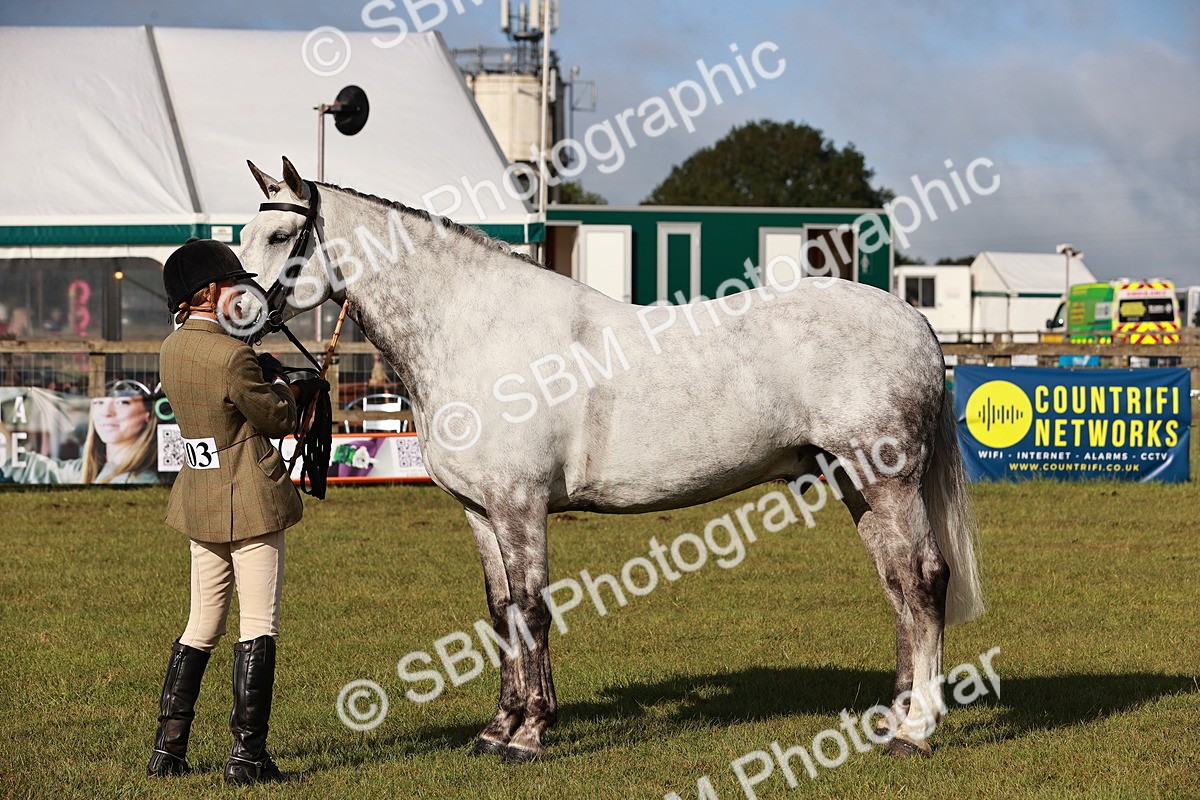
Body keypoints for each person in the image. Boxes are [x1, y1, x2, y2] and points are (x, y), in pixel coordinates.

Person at [147, 238, 322, 786]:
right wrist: (295, 392)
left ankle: (168, 750)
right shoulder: (231, 354)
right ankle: (247, 759)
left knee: (201, 623)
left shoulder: (171, 349)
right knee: (258, 625)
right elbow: (273, 418)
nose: (239, 291)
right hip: (248, 496)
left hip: (199, 493)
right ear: (210, 292)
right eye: (230, 283)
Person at [0, 381, 159, 484]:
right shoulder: (87, 471)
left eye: (123, 403)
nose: (107, 412)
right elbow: (25, 467)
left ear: (148, 415)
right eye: (99, 403)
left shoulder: (141, 481)